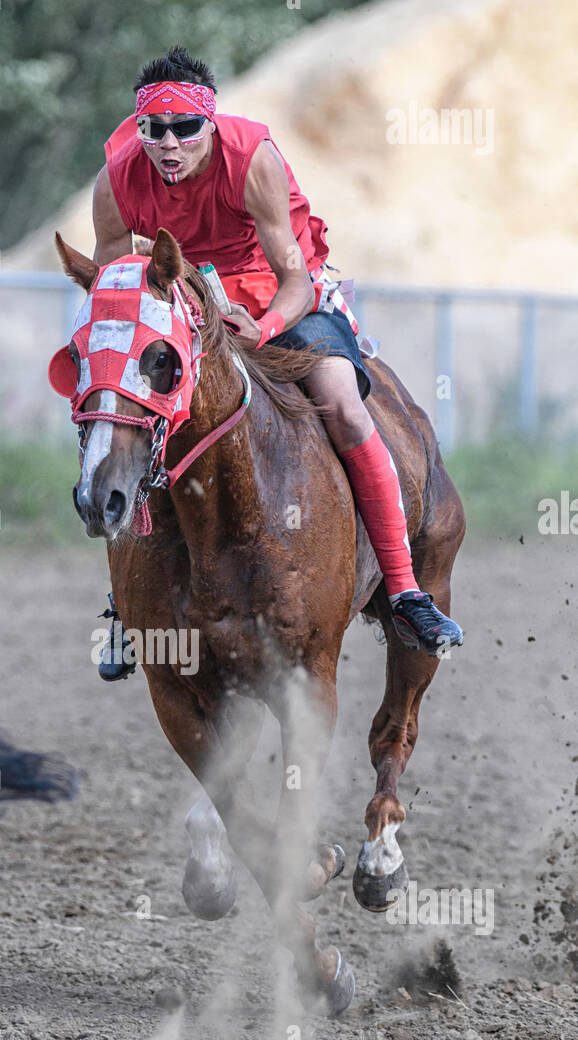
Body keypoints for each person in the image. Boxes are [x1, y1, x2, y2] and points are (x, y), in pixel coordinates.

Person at [90, 45, 463, 678]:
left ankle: (403, 590)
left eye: (185, 129)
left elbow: (296, 277)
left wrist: (260, 327)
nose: (170, 144)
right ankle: (129, 609)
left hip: (275, 292)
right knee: (135, 417)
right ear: (141, 131)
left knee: (343, 404)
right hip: (182, 297)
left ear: (210, 125)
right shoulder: (117, 176)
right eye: (155, 130)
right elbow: (112, 283)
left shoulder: (251, 158)